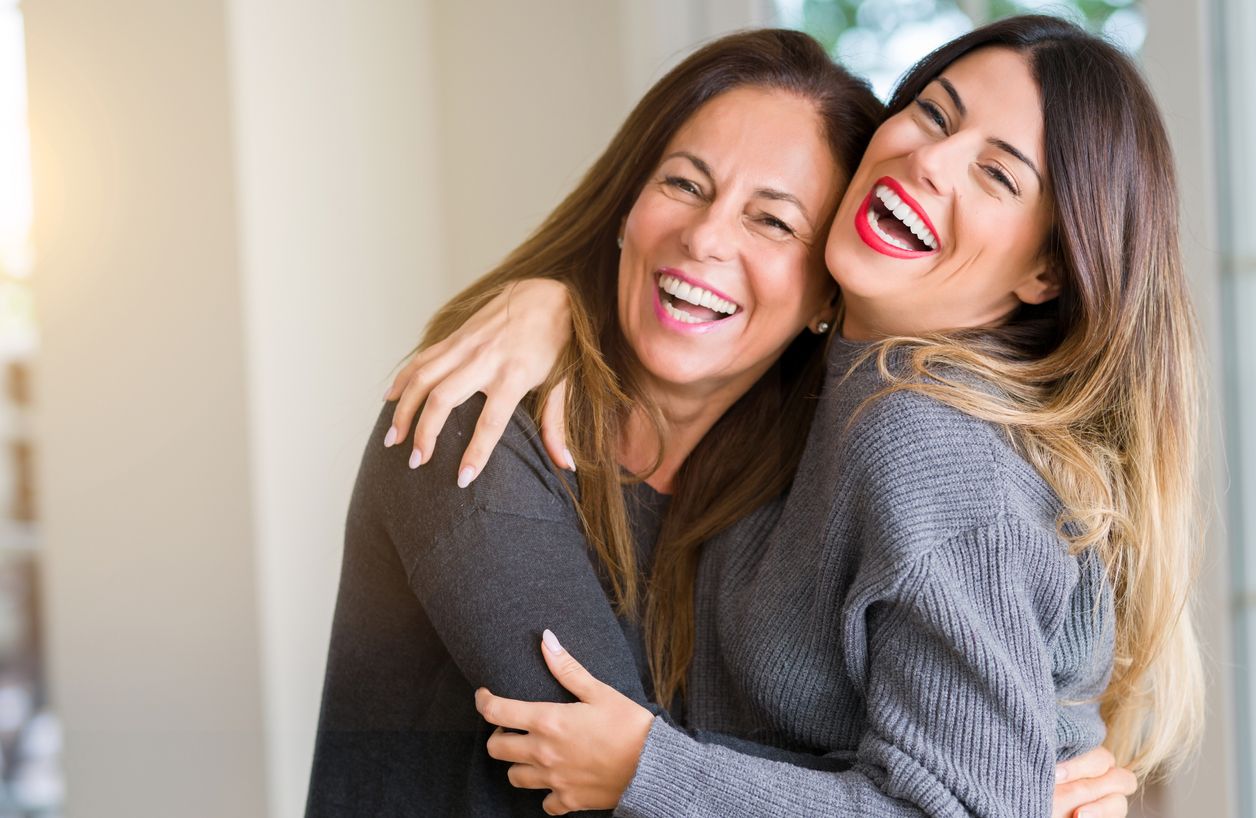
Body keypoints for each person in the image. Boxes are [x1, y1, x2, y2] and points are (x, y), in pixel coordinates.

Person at [310, 27, 1133, 818]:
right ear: (626, 206)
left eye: (773, 220)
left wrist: (993, 781)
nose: (704, 238)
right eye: (683, 184)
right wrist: (999, 790)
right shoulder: (475, 423)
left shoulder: (834, 469)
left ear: (823, 289)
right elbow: (604, 776)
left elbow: (654, 768)